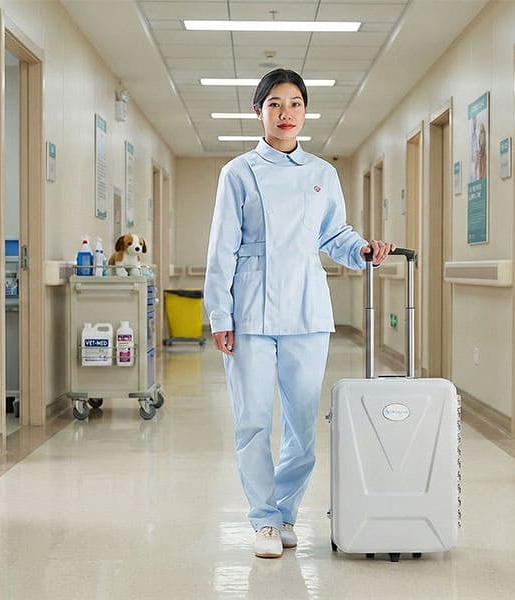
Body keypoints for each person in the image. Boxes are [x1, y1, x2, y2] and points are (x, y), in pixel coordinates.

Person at [204, 68, 395, 559]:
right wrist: (218, 314)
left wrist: (364, 250)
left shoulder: (321, 174)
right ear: (258, 112)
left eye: (294, 103)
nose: (285, 113)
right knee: (252, 421)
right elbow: (222, 247)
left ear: (305, 112)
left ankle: (286, 512)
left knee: (302, 426)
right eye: (274, 104)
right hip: (250, 311)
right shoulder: (239, 172)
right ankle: (263, 521)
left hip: (307, 312)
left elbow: (334, 235)